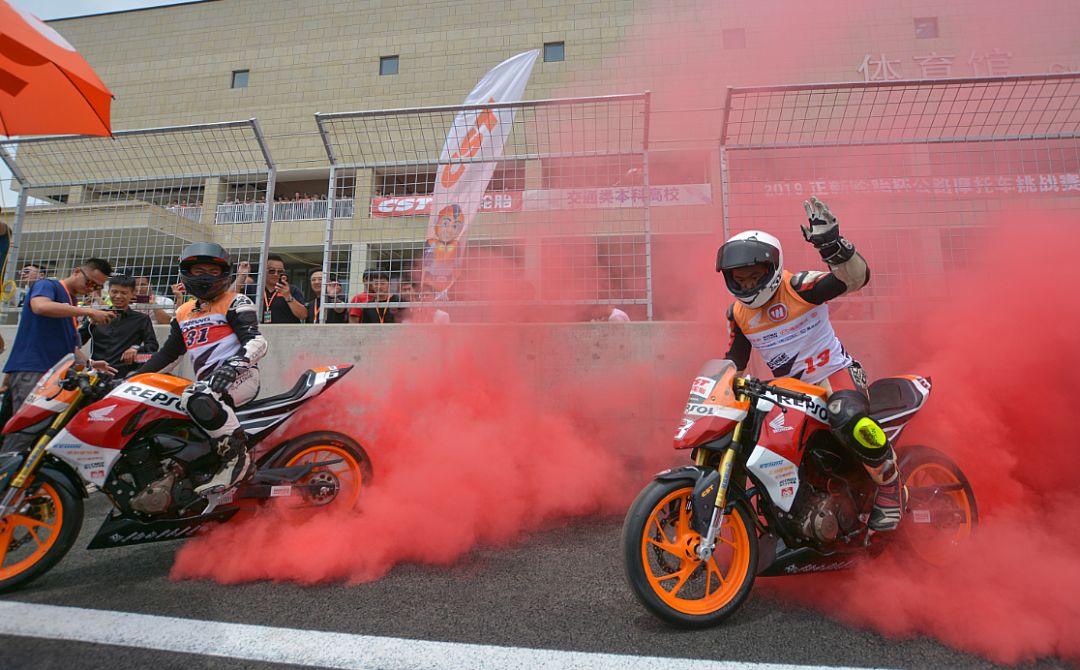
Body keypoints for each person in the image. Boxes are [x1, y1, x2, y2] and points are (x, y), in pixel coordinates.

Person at [716, 196, 902, 532]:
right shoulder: (738, 314)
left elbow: (855, 280)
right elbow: (735, 360)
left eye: (753, 276)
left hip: (836, 377)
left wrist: (833, 246)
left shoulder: (799, 286)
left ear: (771, 270)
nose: (746, 285)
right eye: (738, 279)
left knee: (846, 416)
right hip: (790, 394)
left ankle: (891, 488)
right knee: (751, 434)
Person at [134, 243, 267, 494]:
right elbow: (169, 354)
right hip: (207, 384)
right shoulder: (183, 311)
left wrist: (233, 367)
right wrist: (132, 379)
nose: (205, 276)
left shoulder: (236, 301)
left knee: (197, 396)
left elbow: (256, 340)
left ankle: (237, 460)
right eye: (198, 271)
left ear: (224, 274)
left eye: (211, 271)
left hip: (241, 377)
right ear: (186, 273)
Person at [2, 259, 116, 444]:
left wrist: (89, 363)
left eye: (97, 287)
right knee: (24, 434)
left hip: (53, 376)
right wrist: (88, 311)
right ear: (77, 271)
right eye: (90, 283)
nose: (91, 288)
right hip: (35, 370)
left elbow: (69, 346)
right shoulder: (48, 285)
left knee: (41, 436)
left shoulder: (70, 304)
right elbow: (40, 306)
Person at [80, 274, 159, 378]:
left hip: (125, 378)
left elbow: (153, 346)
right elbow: (78, 341)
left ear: (133, 294)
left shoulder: (142, 319)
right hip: (96, 375)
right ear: (109, 292)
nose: (118, 296)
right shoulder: (96, 315)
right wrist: (89, 323)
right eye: (114, 292)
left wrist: (136, 349)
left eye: (124, 293)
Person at [235, 255, 307, 324]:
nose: (276, 274)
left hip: (285, 334)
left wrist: (288, 296)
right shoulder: (253, 288)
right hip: (257, 332)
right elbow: (228, 298)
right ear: (263, 271)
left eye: (280, 272)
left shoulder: (292, 289)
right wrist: (241, 276)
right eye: (271, 271)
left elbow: (303, 315)